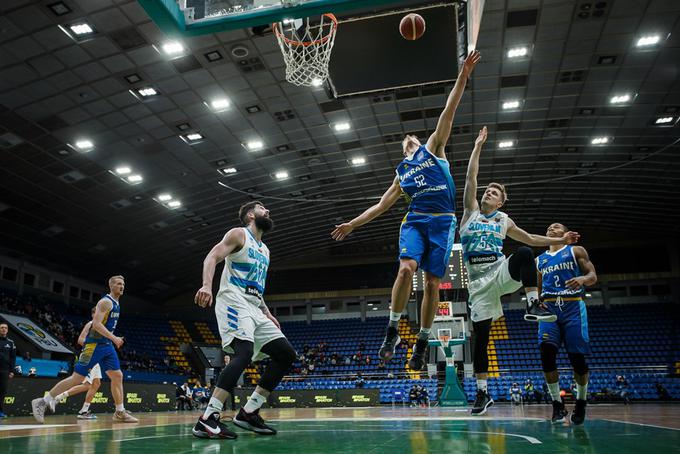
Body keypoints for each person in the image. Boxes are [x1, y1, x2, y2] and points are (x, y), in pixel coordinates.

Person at [331, 51, 482, 371]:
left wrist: (463, 75)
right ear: (402, 150)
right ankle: (392, 330)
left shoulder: (434, 148)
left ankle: (424, 338)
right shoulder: (402, 173)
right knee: (405, 270)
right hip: (415, 221)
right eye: (406, 141)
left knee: (431, 284)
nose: (409, 139)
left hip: (442, 223)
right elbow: (381, 205)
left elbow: (448, 111)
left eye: (412, 137)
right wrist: (353, 224)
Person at [461, 127, 580, 415]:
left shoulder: (504, 220)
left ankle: (532, 302)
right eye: (487, 191)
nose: (488, 193)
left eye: (494, 193)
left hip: (500, 271)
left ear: (500, 203)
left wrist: (559, 240)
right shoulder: (470, 213)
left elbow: (531, 240)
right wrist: (477, 146)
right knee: (481, 339)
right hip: (478, 284)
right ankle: (482, 394)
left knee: (525, 253)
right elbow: (470, 177)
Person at [192, 201, 296, 439]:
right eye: (262, 208)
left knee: (286, 354)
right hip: (233, 299)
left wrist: (267, 313)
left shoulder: (265, 250)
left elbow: (256, 288)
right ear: (250, 215)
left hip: (254, 307)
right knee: (243, 353)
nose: (267, 211)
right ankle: (207, 418)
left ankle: (249, 412)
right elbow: (212, 257)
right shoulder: (239, 234)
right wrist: (207, 285)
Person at [31, 276, 138, 423]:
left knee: (117, 376)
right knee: (77, 379)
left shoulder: (117, 303)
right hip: (93, 346)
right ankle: (42, 402)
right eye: (119, 284)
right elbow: (96, 324)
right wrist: (114, 338)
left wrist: (111, 339)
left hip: (107, 346)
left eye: (123, 284)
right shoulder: (105, 302)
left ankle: (120, 412)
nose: (122, 286)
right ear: (111, 286)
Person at [536, 223, 597, 425]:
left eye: (556, 226)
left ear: (564, 233)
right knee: (546, 354)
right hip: (549, 309)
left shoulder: (575, 250)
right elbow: (538, 289)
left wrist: (581, 278)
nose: (551, 228)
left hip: (572, 307)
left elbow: (592, 276)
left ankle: (581, 401)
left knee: (577, 359)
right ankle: (557, 403)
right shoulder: (540, 260)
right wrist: (538, 303)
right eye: (549, 227)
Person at [52, 307, 103, 420]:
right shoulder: (90, 324)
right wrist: (92, 346)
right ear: (93, 314)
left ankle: (84, 410)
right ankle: (59, 397)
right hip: (88, 356)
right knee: (87, 385)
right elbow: (80, 340)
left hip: (95, 357)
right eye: (97, 313)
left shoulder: (101, 327)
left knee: (96, 384)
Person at [0, 322, 16, 418]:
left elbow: (13, 358)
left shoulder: (11, 343)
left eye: (5, 328)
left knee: (2, 392)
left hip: (5, 371)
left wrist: (12, 371)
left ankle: (0, 412)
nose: (3, 329)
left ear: (7, 330)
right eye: (2, 327)